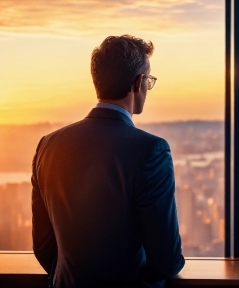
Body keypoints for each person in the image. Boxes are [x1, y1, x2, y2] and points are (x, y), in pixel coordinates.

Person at [31, 35, 185, 288]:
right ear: (139, 82)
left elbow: (44, 248)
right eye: (149, 80)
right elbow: (166, 261)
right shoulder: (151, 150)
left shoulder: (48, 145)